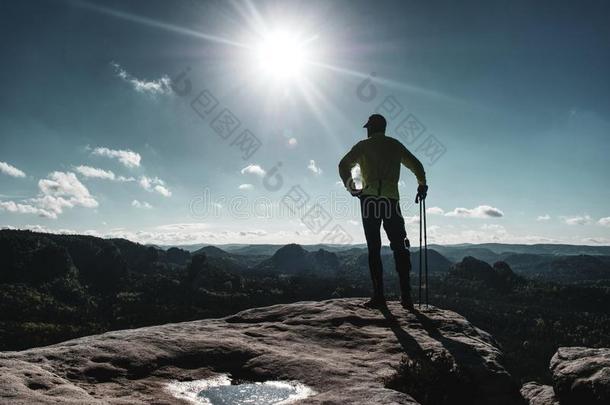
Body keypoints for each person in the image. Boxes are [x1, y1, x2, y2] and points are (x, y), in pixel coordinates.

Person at [338, 114, 427, 309]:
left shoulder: (362, 146)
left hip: (369, 200)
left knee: (374, 248)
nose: (367, 130)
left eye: (368, 127)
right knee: (399, 246)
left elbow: (343, 165)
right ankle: (406, 297)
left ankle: (379, 297)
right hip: (390, 200)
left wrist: (352, 187)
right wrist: (422, 185)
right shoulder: (395, 145)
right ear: (384, 128)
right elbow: (417, 165)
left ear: (371, 128)